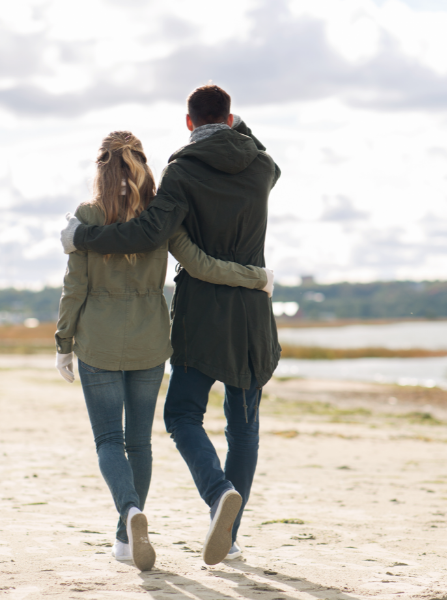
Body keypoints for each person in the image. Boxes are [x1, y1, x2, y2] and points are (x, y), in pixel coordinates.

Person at [60, 85, 281, 566]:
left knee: (182, 417)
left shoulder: (182, 171)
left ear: (187, 122)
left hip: (201, 314)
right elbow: (258, 151)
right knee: (243, 429)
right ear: (229, 120)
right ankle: (232, 535)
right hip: (252, 315)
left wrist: (82, 236)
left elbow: (149, 233)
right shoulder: (263, 168)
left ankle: (213, 494)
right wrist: (255, 276)